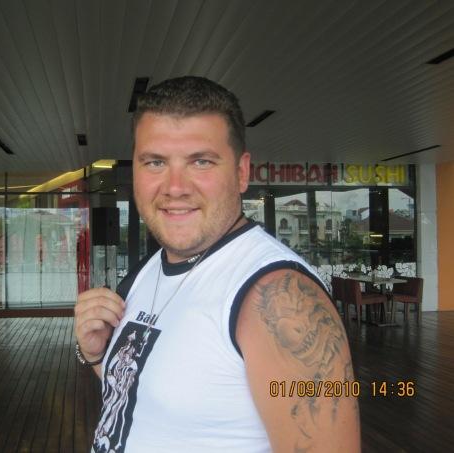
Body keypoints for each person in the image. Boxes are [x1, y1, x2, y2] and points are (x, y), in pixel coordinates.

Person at [74, 76, 361, 453]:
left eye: (201, 161)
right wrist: (97, 354)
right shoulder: (149, 270)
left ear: (241, 172)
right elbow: (148, 397)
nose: (175, 187)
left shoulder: (278, 299)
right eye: (155, 162)